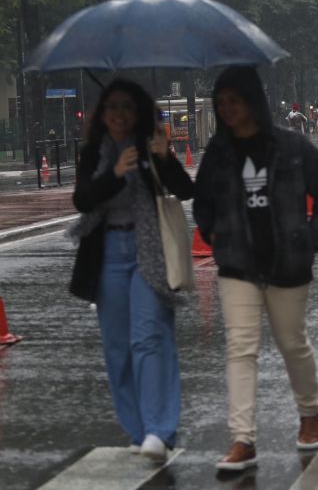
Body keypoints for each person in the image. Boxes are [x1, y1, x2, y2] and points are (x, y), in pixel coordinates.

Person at [194, 66, 318, 471]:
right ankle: (243, 438)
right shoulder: (219, 152)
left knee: (292, 344)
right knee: (241, 349)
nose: (227, 110)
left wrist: (309, 241)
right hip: (237, 267)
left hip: (287, 265)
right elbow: (202, 201)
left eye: (234, 101)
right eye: (221, 103)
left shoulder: (291, 146)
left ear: (252, 101)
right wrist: (217, 239)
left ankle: (309, 415)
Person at [69, 79, 194, 461]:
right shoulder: (94, 152)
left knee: (149, 338)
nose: (119, 114)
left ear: (137, 111)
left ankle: (160, 428)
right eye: (112, 108)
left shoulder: (149, 145)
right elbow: (82, 199)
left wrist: (164, 157)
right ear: (102, 114)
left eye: (126, 107)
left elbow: (184, 189)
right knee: (119, 348)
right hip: (107, 251)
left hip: (148, 250)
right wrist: (115, 174)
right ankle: (138, 430)